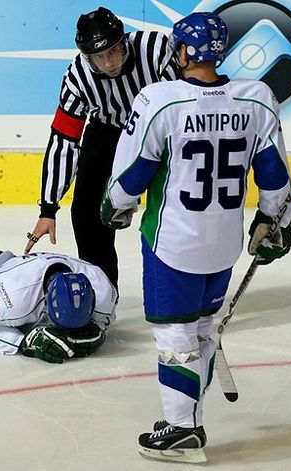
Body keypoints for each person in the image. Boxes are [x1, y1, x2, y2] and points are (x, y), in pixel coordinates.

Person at [100, 12, 291, 463]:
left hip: (172, 243)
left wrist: (114, 206)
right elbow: (275, 177)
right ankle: (187, 415)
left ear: (184, 52)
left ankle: (182, 429)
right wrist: (275, 223)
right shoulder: (257, 99)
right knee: (202, 328)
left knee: (175, 336)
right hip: (223, 244)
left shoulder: (160, 100)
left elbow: (132, 173)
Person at [25, 6, 180, 289]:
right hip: (108, 131)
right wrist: (48, 208)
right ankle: (103, 293)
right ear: (88, 57)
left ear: (124, 42)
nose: (108, 63)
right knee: (85, 213)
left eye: (112, 52)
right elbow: (64, 140)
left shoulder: (156, 50)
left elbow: (184, 106)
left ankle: (176, 286)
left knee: (171, 209)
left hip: (160, 133)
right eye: (99, 56)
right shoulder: (77, 77)